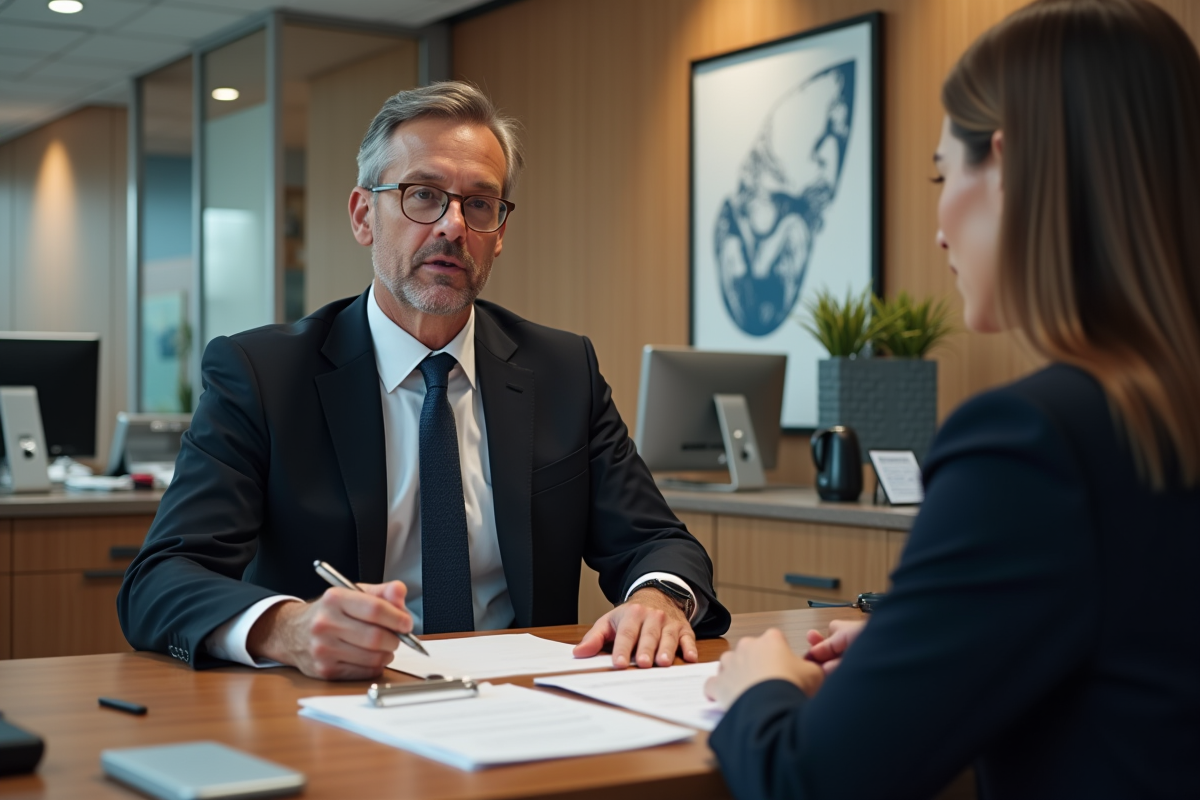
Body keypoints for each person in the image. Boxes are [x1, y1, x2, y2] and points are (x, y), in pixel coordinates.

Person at [704, 1, 1200, 797]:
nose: (938, 228)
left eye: (943, 174)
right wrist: (924, 648)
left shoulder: (1033, 440)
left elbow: (811, 782)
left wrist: (758, 689)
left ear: (1007, 167)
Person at [118, 82, 729, 680]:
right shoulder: (262, 374)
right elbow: (161, 577)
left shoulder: (563, 370)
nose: (453, 226)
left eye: (479, 204)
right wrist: (288, 628)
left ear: (499, 235)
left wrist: (658, 599)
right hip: (338, 704)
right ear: (364, 216)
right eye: (423, 195)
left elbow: (657, 542)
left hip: (520, 701)